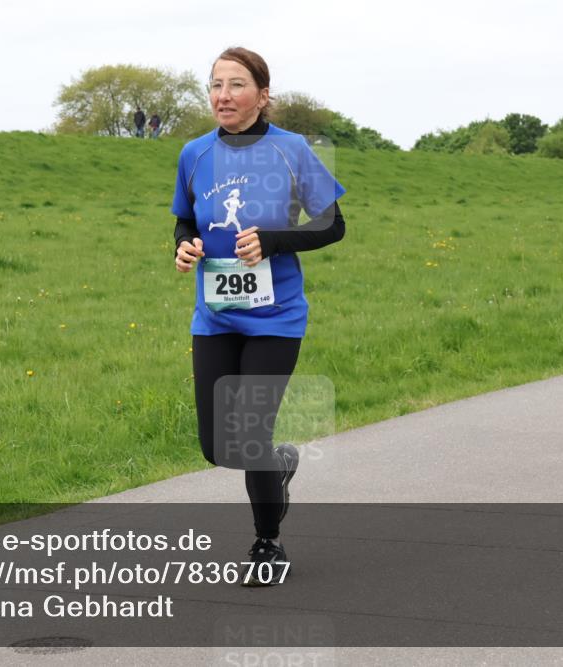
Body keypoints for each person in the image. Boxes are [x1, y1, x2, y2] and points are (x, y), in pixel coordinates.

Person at [171, 46, 346, 586]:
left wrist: (273, 240)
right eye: (215, 85)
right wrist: (184, 246)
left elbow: (332, 224)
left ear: (262, 96)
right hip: (216, 317)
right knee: (216, 447)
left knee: (248, 435)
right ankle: (279, 465)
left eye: (236, 85)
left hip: (276, 318)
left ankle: (268, 543)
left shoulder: (291, 150)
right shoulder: (194, 154)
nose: (223, 96)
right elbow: (184, 220)